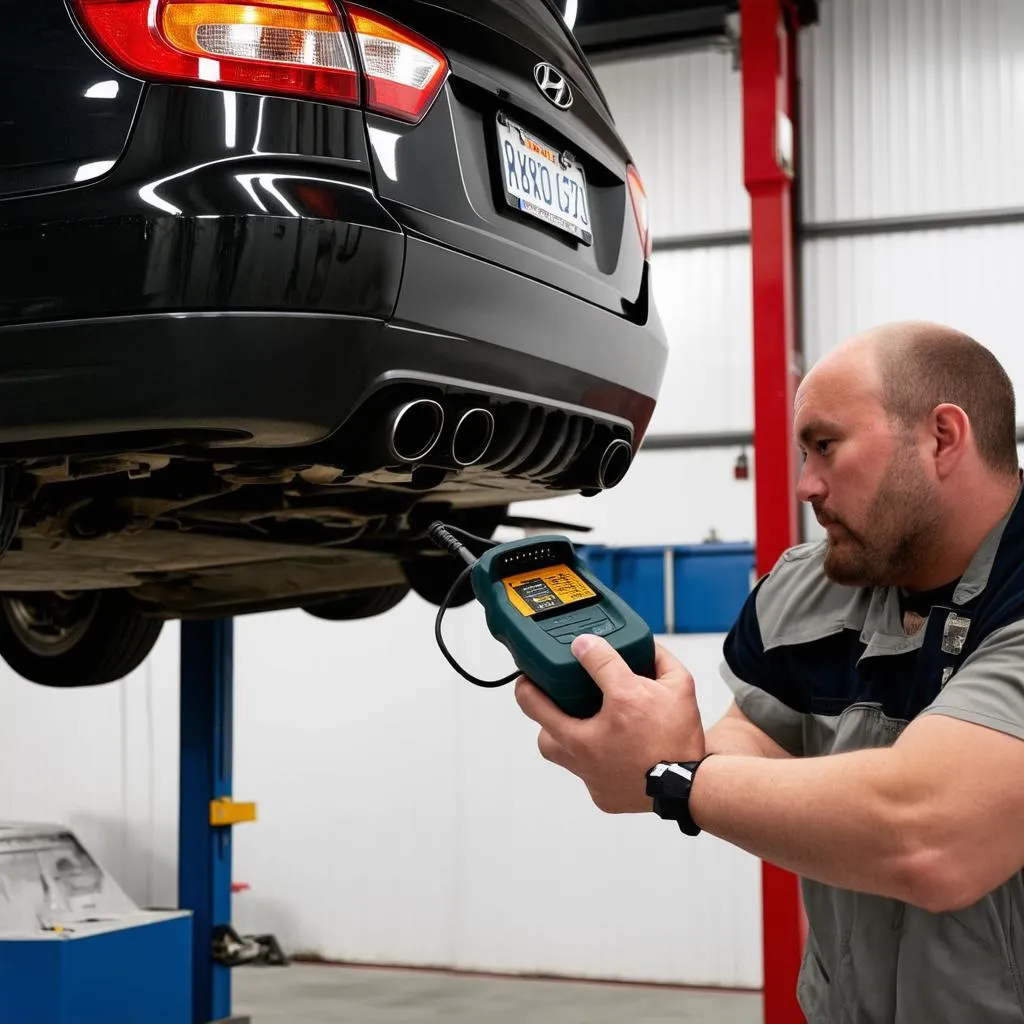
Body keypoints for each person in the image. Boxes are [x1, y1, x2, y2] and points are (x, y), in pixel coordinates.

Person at [514, 321, 1024, 1023]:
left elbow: (930, 836)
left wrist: (673, 778)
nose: (806, 484)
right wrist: (660, 744)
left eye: (825, 446)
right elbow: (750, 742)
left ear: (941, 437)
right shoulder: (811, 586)